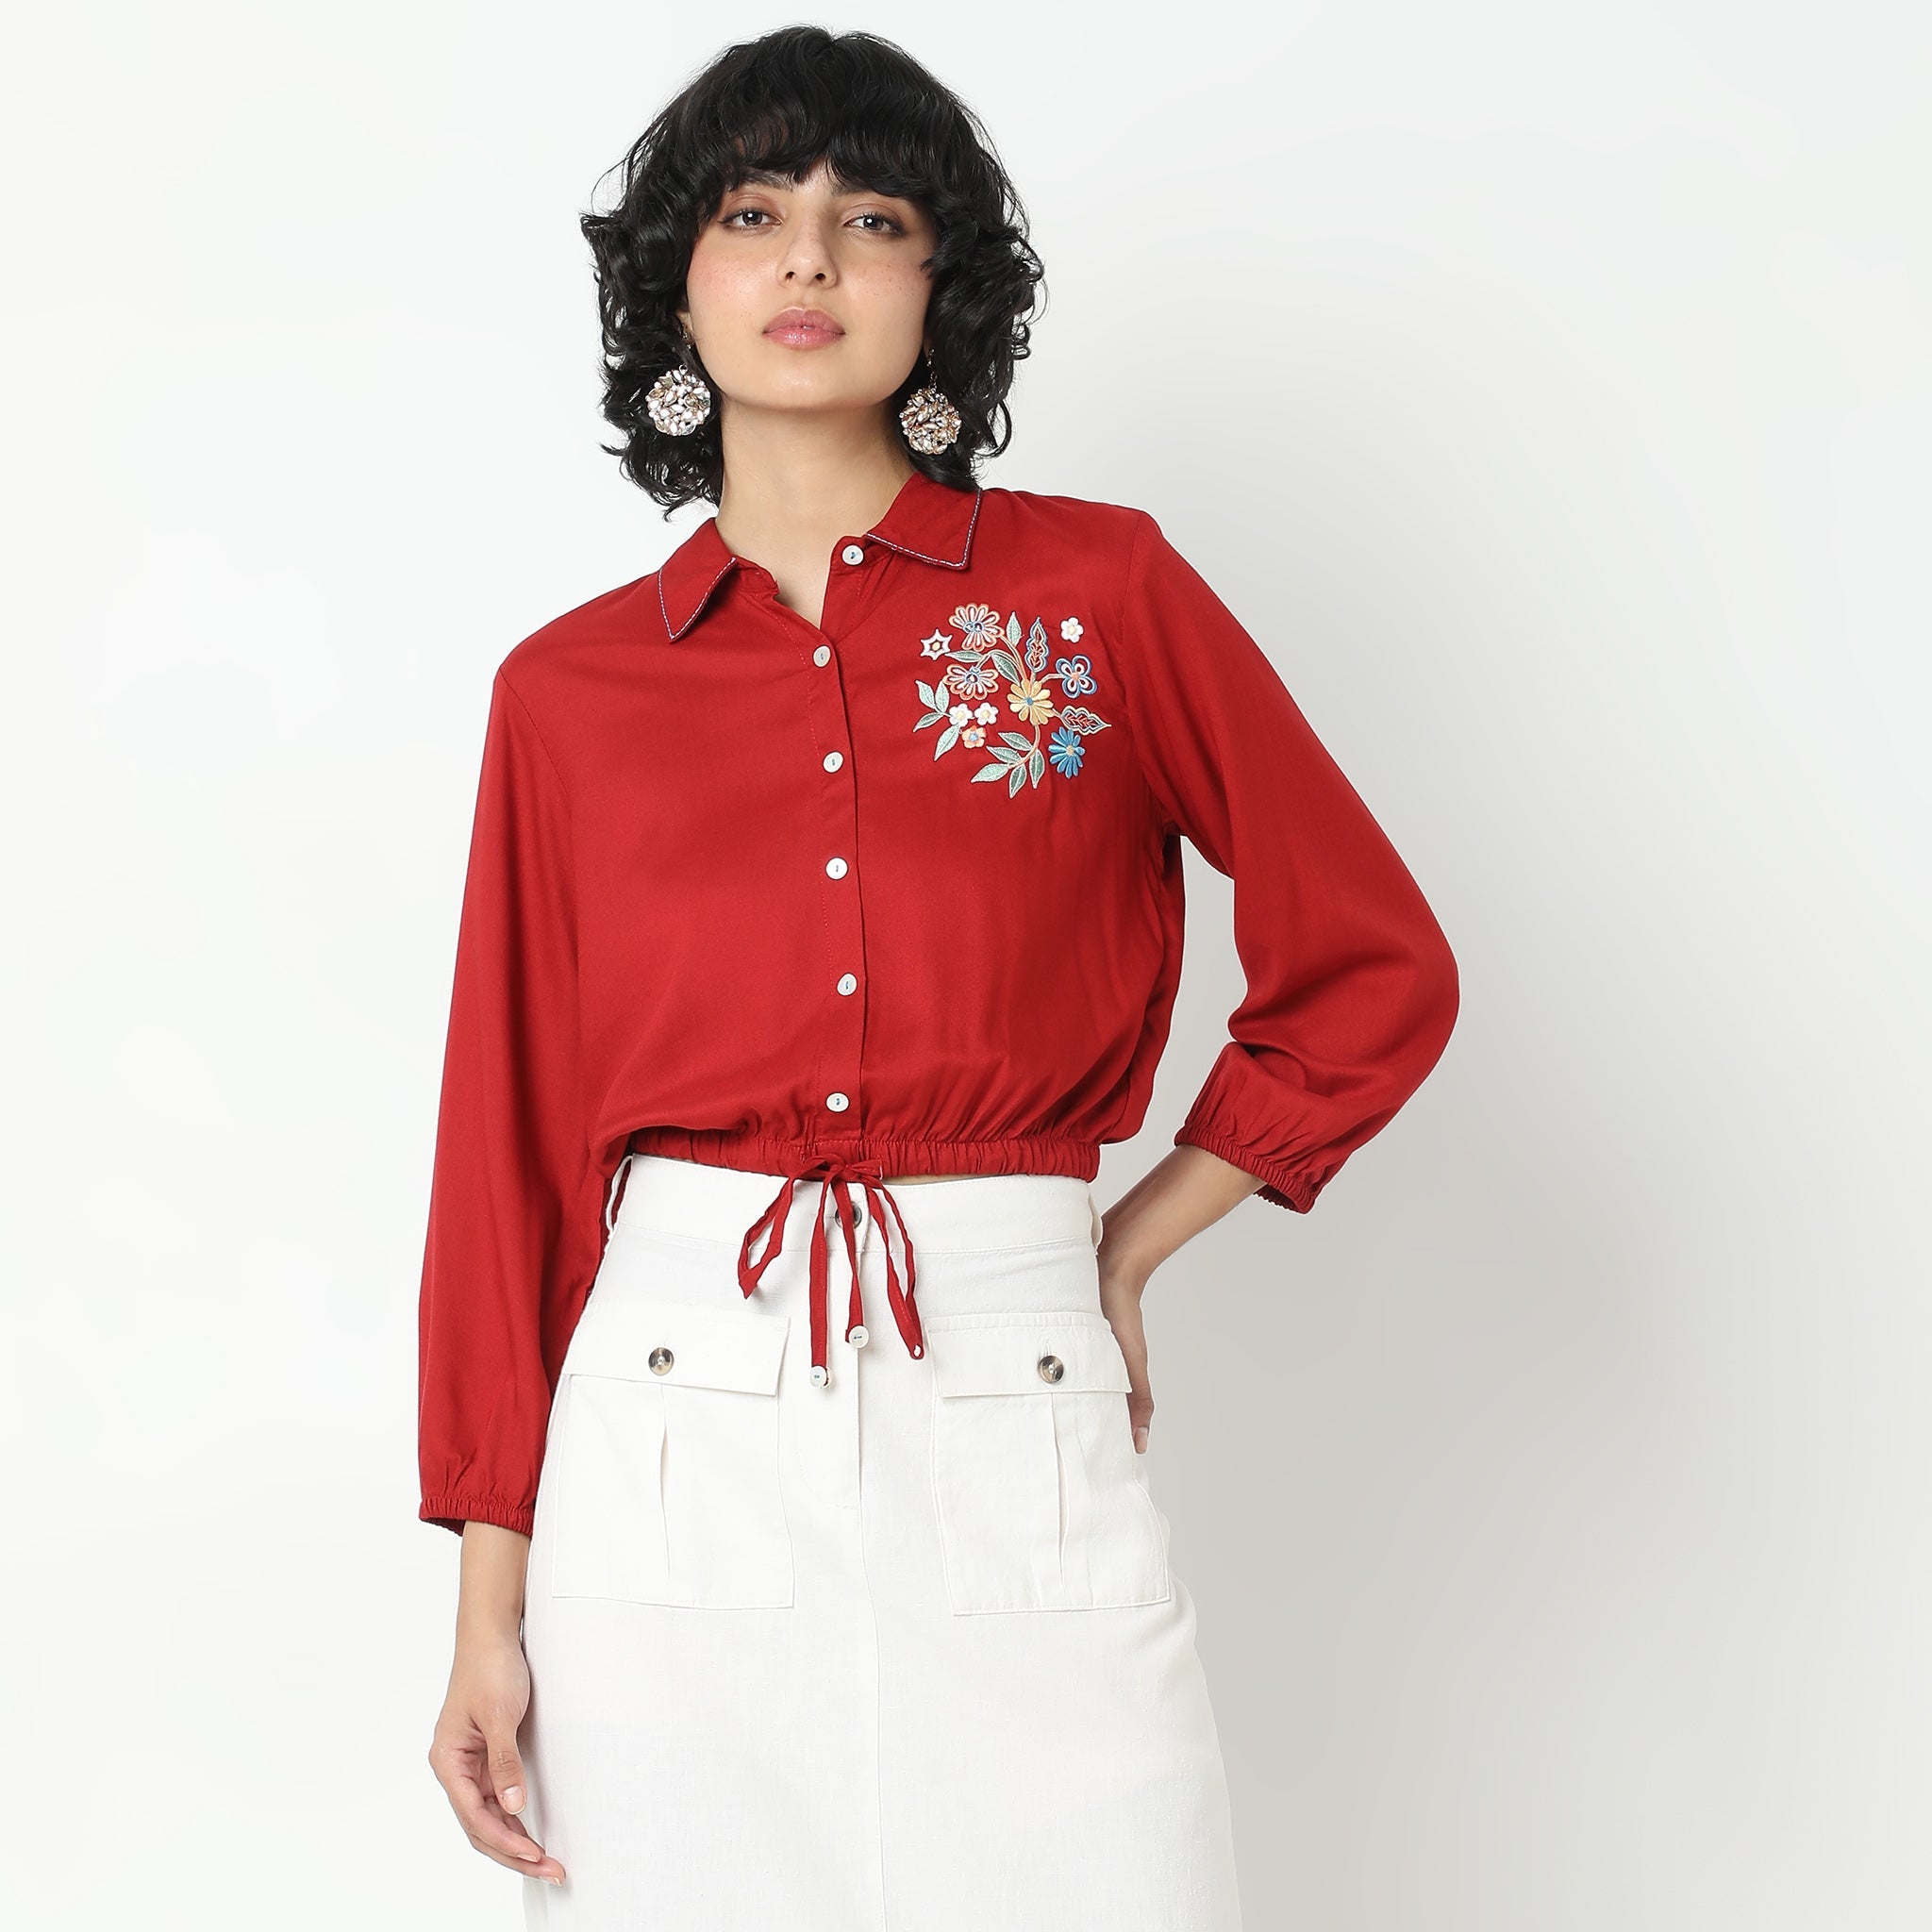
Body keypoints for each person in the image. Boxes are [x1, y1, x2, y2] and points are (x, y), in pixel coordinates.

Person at [419, 25, 1458, 1932]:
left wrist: (1127, 1243)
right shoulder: (566, 694)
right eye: (753, 215)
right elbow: (511, 1156)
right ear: (678, 285)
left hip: (1011, 1380)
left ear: (939, 286)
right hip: (671, 1435)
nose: (809, 259)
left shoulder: (1102, 599)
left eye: (871, 218)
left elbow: (1369, 963)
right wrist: (487, 1612)